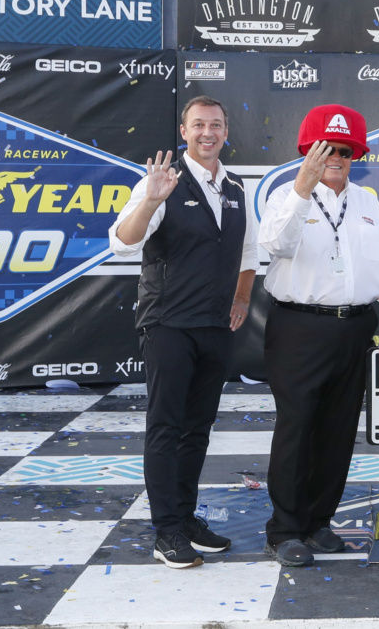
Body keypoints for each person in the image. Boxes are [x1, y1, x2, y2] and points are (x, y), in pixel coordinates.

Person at [109, 96, 258, 569]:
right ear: (184, 131)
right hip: (169, 324)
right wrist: (151, 200)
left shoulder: (236, 186)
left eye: (215, 125)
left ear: (226, 131)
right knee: (166, 428)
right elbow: (122, 242)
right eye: (198, 125)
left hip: (215, 325)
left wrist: (241, 298)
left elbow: (248, 252)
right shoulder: (162, 181)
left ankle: (186, 517)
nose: (207, 133)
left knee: (197, 429)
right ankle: (167, 531)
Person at [259, 104, 379, 567]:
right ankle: (284, 530)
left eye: (345, 151)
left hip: (357, 326)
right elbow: (276, 244)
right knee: (296, 428)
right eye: (326, 149)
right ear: (309, 151)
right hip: (299, 326)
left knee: (338, 431)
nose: (336, 158)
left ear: (355, 156)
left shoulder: (366, 202)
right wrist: (302, 190)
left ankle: (318, 521)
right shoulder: (285, 195)